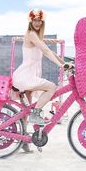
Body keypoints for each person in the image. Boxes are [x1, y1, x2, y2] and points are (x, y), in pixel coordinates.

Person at [12, 9, 66, 152]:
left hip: (28, 76)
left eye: (39, 21)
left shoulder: (37, 37)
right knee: (51, 87)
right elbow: (47, 52)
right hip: (26, 76)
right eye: (34, 20)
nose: (37, 23)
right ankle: (36, 114)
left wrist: (65, 63)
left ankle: (23, 140)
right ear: (31, 22)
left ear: (42, 22)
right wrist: (61, 65)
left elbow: (51, 52)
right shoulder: (31, 35)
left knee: (25, 110)